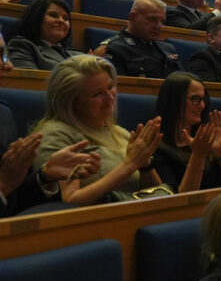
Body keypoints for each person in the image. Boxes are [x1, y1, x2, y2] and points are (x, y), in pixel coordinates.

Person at [32, 55, 164, 205]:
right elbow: (69, 202)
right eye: (97, 94)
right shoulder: (57, 135)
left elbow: (158, 196)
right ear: (70, 102)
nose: (110, 97)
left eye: (110, 87)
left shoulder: (120, 132)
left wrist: (145, 165)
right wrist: (130, 164)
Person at [0, 33, 99, 216]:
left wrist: (45, 177)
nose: (9, 65)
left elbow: (16, 203)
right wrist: (3, 185)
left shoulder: (3, 115)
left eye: (5, 55)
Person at [153, 72, 221, 192]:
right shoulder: (158, 148)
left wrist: (220, 151)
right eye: (195, 99)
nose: (202, 106)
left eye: (203, 100)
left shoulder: (206, 137)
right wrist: (198, 156)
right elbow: (177, 201)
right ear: (174, 100)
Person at [100, 0, 183, 79]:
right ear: (133, 17)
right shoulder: (114, 48)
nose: (159, 26)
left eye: (162, 21)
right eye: (153, 19)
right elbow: (121, 88)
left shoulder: (168, 48)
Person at [7, 0, 83, 70]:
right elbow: (27, 81)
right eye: (53, 15)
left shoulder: (79, 55)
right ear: (36, 18)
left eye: (65, 18)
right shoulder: (23, 47)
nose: (61, 21)